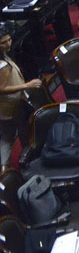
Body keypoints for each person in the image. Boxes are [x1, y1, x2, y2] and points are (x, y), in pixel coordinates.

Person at [0, 26, 38, 168]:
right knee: (17, 135)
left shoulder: (3, 56)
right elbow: (2, 89)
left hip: (8, 107)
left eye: (9, 40)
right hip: (11, 106)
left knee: (7, 137)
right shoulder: (2, 66)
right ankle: (25, 163)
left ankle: (6, 168)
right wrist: (27, 86)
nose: (8, 44)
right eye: (4, 42)